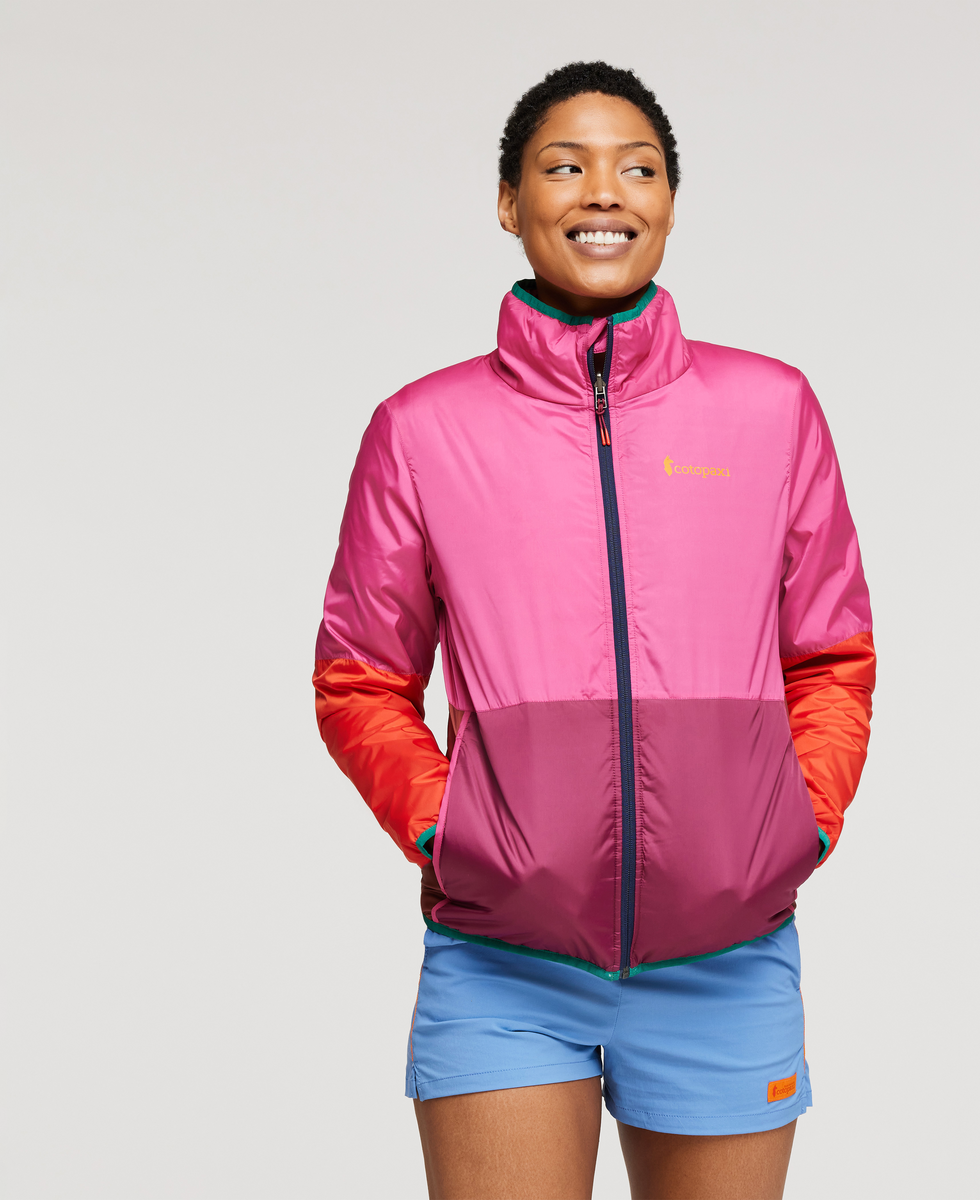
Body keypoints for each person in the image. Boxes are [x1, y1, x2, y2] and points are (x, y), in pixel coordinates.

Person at [313, 61, 875, 1200]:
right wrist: (453, 833)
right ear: (510, 202)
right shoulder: (422, 430)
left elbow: (830, 656)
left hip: (728, 959)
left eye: (638, 168)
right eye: (564, 167)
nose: (604, 192)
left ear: (671, 201)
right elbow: (360, 676)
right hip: (504, 965)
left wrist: (798, 823)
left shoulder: (771, 410)